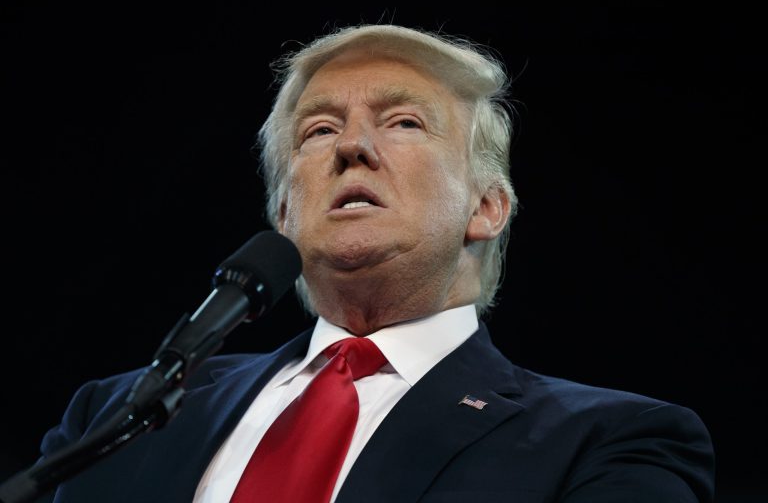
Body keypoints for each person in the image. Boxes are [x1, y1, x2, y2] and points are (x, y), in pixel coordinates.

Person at [35, 24, 714, 502]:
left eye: (404, 122)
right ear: (283, 215)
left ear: (488, 207)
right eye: (319, 129)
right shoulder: (114, 415)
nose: (352, 146)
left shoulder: (609, 442)